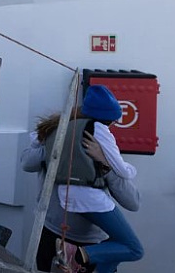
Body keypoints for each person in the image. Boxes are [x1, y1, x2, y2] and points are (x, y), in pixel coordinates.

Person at [27, 86, 144, 273]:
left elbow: (132, 201)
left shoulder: (97, 145)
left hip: (68, 235)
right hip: (61, 235)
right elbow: (28, 162)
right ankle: (77, 254)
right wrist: (58, 148)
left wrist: (105, 164)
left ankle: (77, 254)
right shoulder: (60, 134)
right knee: (133, 248)